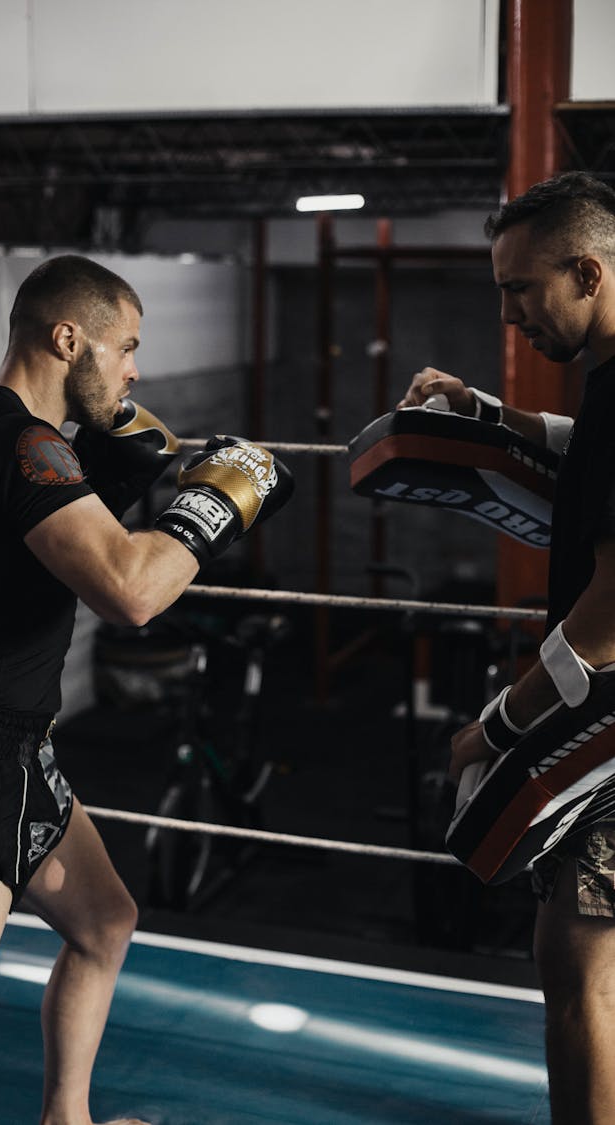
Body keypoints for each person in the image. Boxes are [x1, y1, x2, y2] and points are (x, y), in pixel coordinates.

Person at [0, 254, 293, 1124]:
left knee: (104, 923)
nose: (135, 369)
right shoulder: (25, 446)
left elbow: (25, 538)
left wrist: (114, 475)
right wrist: (217, 505)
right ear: (69, 338)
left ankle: (68, 1117)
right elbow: (131, 591)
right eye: (125, 346)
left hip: (13, 747)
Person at [397, 171, 615, 1125]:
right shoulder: (606, 384)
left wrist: (495, 724)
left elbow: (614, 611)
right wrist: (489, 416)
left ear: (587, 271)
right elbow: (590, 454)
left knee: (578, 968)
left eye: (520, 288)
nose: (508, 310)